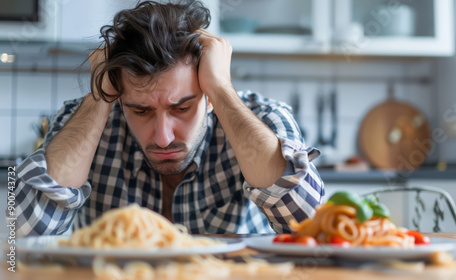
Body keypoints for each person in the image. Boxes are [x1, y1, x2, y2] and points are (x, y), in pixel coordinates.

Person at [13, 0, 324, 236]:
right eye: (140, 110)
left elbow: (309, 225)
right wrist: (100, 95)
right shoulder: (84, 118)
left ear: (209, 97)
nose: (163, 138)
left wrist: (222, 89)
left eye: (182, 108)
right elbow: (25, 233)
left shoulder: (263, 117)